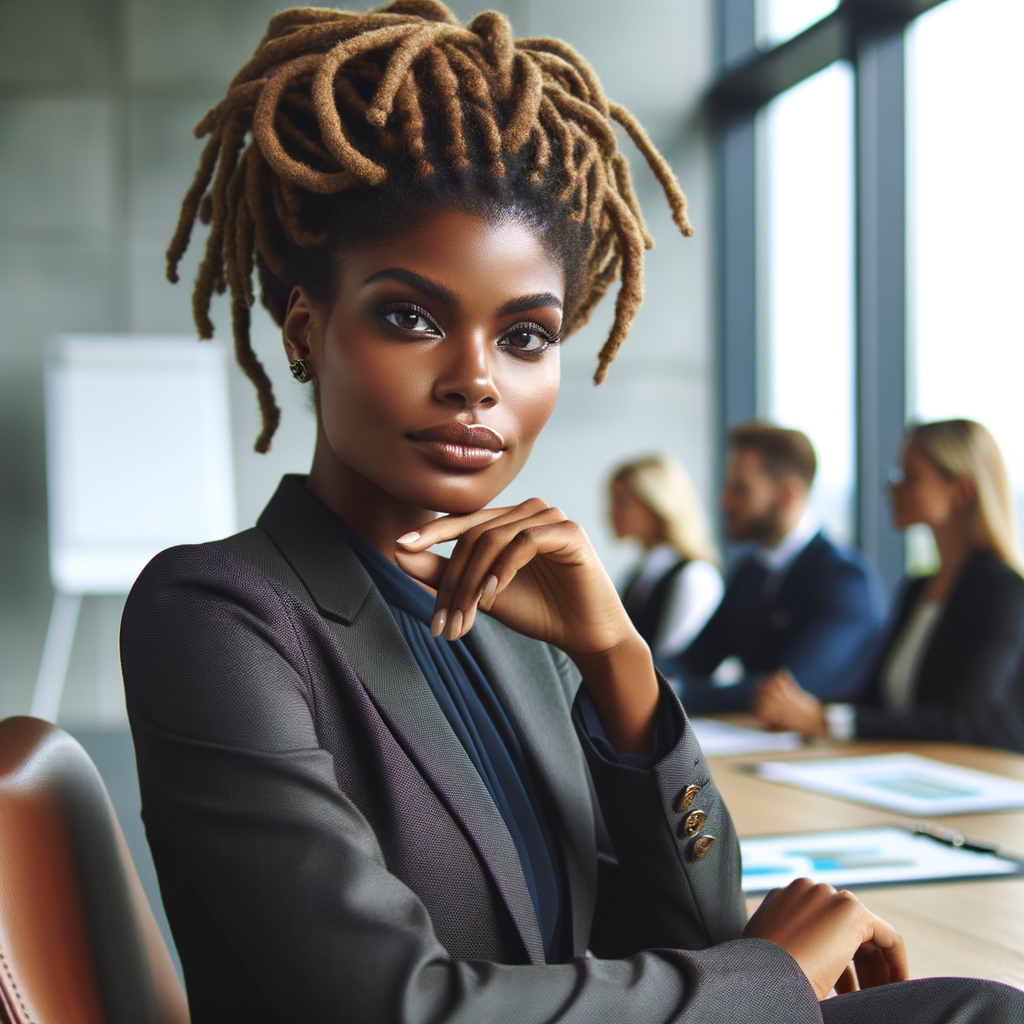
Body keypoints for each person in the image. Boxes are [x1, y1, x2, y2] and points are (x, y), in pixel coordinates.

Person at [117, 5, 1023, 1022]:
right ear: (304, 328)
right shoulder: (220, 612)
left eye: (524, 335)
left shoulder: (524, 619)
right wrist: (771, 978)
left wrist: (618, 659)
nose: (474, 380)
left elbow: (696, 924)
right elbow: (387, 1005)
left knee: (980, 1004)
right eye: (410, 317)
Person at [755, 419, 1024, 747]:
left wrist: (827, 721)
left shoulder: (1004, 593)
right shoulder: (918, 588)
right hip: (911, 768)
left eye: (910, 476)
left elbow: (963, 719)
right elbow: (877, 699)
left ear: (962, 490)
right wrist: (804, 708)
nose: (892, 487)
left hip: (981, 776)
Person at [664, 423, 884, 714]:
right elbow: (695, 660)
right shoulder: (750, 572)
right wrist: (633, 671)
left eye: (740, 489)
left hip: (826, 752)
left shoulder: (843, 579)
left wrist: (670, 691)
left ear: (788, 494)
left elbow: (784, 690)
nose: (724, 500)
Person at [608, 455, 723, 658]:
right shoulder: (633, 577)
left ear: (656, 504)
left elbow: (674, 662)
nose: (611, 512)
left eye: (621, 502)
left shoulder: (695, 576)